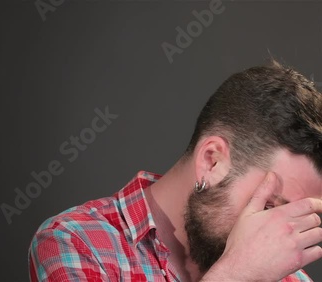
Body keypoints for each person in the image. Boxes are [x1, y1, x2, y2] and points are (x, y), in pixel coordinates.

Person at [28, 60, 322, 282]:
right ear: (212, 162)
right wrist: (236, 273)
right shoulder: (78, 242)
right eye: (271, 206)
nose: (280, 230)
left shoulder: (286, 274)